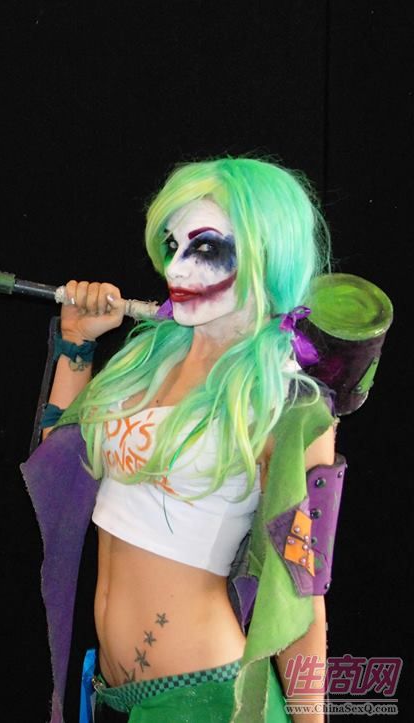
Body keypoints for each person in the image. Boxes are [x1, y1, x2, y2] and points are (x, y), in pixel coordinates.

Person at [23, 158, 346, 722]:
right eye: (173, 246)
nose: (177, 267)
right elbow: (63, 469)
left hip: (209, 699)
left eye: (206, 248)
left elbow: (303, 596)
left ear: (266, 254)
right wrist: (77, 344)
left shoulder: (287, 403)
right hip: (113, 699)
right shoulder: (147, 359)